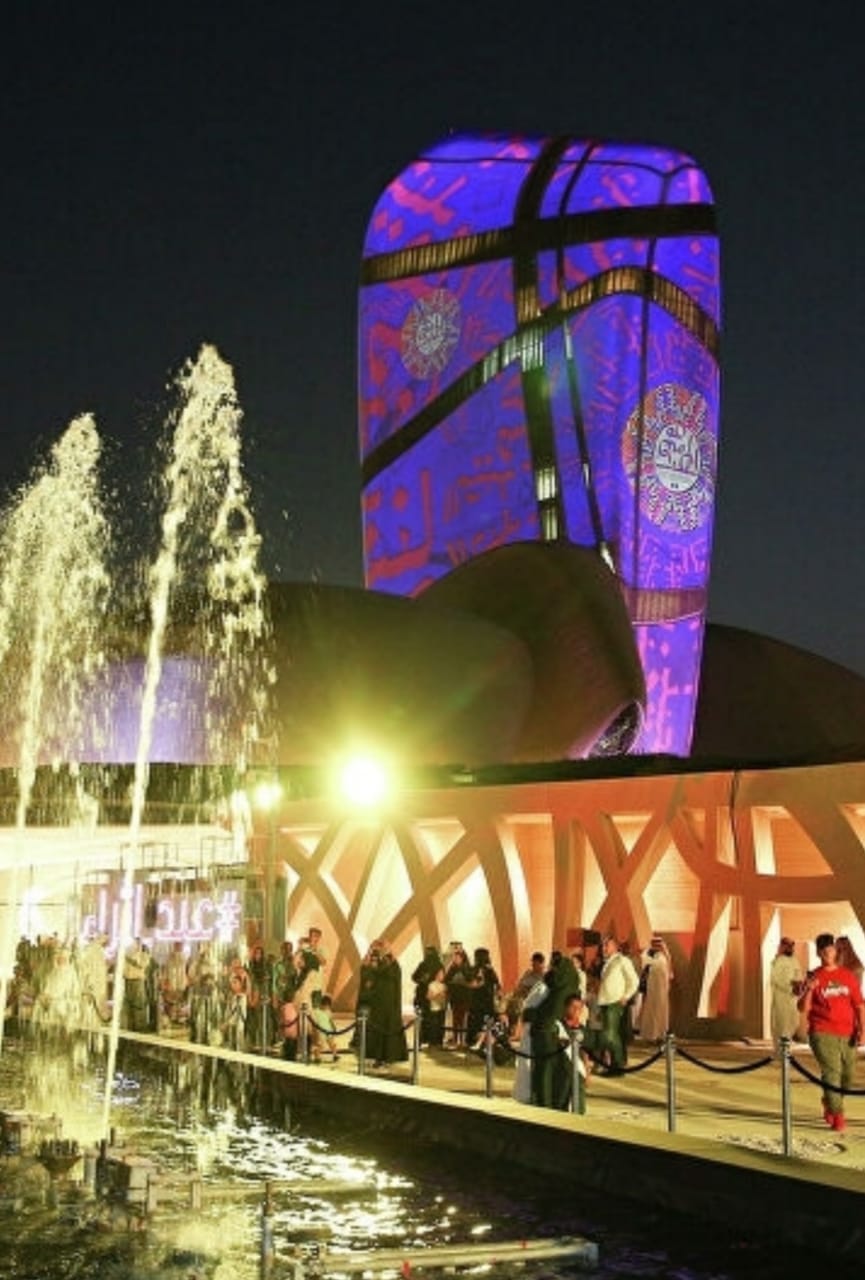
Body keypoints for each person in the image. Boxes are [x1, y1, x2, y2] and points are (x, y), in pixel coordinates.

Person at [797, 932, 865, 1132]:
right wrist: (809, 989)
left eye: (831, 949)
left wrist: (863, 1030)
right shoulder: (814, 976)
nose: (828, 953)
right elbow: (802, 1008)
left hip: (848, 1033)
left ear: (835, 951)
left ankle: (829, 1100)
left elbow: (859, 1005)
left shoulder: (847, 976)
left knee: (847, 1077)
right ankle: (838, 1115)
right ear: (819, 953)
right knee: (832, 1073)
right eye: (824, 951)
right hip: (822, 1032)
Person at [596, 934, 639, 1074]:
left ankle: (618, 1066)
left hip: (614, 1002)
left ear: (615, 947)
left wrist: (626, 996)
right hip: (605, 1002)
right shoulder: (607, 962)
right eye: (602, 945)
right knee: (610, 1036)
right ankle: (613, 1065)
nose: (603, 948)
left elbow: (634, 980)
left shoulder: (622, 960)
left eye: (606, 945)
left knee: (612, 1036)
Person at [769, 936, 802, 1056]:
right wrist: (791, 986)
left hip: (793, 999)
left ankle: (786, 1050)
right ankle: (780, 1052)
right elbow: (776, 979)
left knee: (793, 1023)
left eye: (792, 945)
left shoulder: (795, 960)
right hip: (781, 999)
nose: (790, 947)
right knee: (781, 1024)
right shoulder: (779, 961)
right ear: (782, 946)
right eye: (787, 945)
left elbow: (798, 975)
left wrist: (799, 985)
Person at [638, 937, 673, 1044]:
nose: (658, 947)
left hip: (662, 990)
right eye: (655, 945)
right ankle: (651, 1035)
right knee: (651, 1011)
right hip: (652, 989)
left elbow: (670, 974)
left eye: (659, 945)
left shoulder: (665, 957)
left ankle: (660, 1035)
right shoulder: (648, 955)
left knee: (661, 1012)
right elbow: (644, 963)